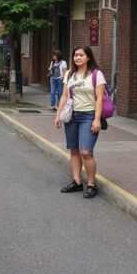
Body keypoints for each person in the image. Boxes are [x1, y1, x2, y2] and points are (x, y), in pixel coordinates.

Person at [54, 46, 106, 199]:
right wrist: (58, 115)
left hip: (88, 116)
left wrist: (97, 119)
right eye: (75, 55)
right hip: (71, 116)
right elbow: (64, 96)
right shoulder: (70, 74)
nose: (77, 58)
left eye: (81, 55)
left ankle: (91, 184)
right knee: (74, 150)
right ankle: (77, 182)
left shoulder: (97, 75)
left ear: (88, 57)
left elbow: (99, 100)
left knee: (86, 152)